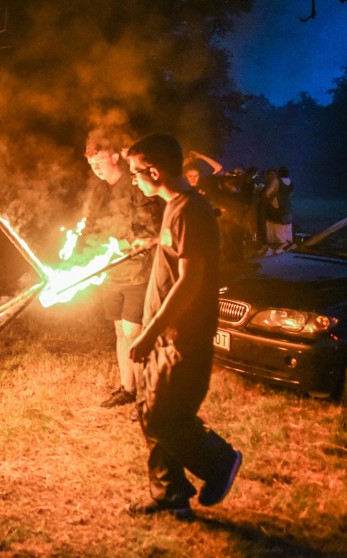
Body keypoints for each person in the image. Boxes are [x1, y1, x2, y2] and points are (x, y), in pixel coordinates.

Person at [126, 133, 242, 519]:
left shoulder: (190, 210)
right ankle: (169, 494)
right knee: (149, 409)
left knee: (165, 416)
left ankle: (219, 461)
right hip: (165, 334)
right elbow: (177, 253)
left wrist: (151, 331)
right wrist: (150, 245)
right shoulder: (175, 208)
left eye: (136, 172)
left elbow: (191, 281)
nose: (134, 180)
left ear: (154, 171)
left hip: (182, 337)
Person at [83, 131, 163, 409]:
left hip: (136, 272)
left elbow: (152, 228)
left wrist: (130, 243)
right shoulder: (99, 190)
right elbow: (90, 225)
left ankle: (146, 394)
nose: (96, 168)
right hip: (112, 272)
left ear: (116, 157)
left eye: (101, 160)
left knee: (133, 333)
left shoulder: (135, 186)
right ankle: (128, 388)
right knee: (119, 331)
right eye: (92, 163)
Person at [263, 166, 294, 249]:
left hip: (276, 206)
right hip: (287, 206)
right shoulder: (291, 182)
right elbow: (290, 195)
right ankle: (287, 243)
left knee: (275, 224)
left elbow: (268, 193)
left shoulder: (277, 181)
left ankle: (276, 244)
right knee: (286, 225)